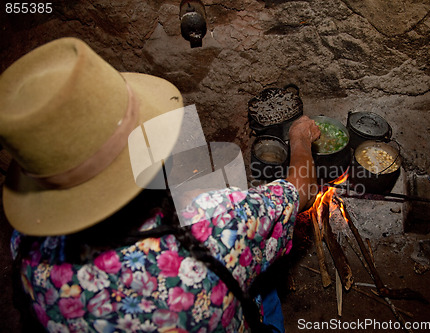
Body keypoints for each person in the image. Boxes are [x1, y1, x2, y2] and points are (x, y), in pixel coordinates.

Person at [0, 38, 320, 333]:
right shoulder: (222, 225)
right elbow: (301, 191)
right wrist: (299, 137)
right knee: (265, 283)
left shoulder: (30, 253)